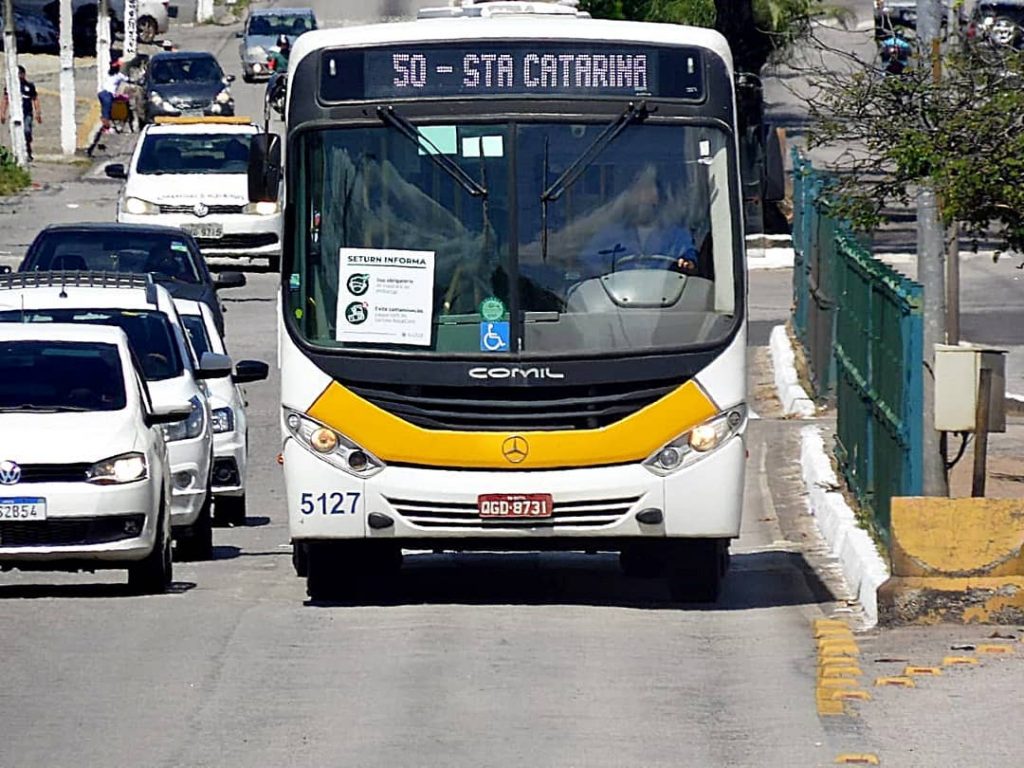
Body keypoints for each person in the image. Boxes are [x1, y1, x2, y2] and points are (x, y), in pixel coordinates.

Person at [582, 165, 702, 277]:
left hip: (668, 294)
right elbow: (588, 260)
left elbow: (689, 256)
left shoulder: (676, 234)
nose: (643, 198)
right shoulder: (610, 233)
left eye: (649, 189)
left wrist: (687, 262)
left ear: (658, 196)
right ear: (628, 196)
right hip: (618, 295)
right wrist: (605, 272)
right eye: (639, 189)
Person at [0, 65, 42, 162]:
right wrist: (2, 112)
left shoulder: (29, 86)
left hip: (27, 114)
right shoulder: (10, 87)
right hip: (15, 114)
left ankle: (28, 148)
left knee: (27, 131)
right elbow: (5, 100)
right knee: (17, 133)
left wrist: (38, 112)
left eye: (20, 74)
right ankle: (18, 153)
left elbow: (35, 99)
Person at [97, 59, 128, 135]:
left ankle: (105, 127)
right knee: (107, 112)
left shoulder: (108, 74)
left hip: (102, 93)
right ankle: (107, 128)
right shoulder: (119, 76)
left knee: (104, 111)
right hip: (108, 95)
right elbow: (128, 79)